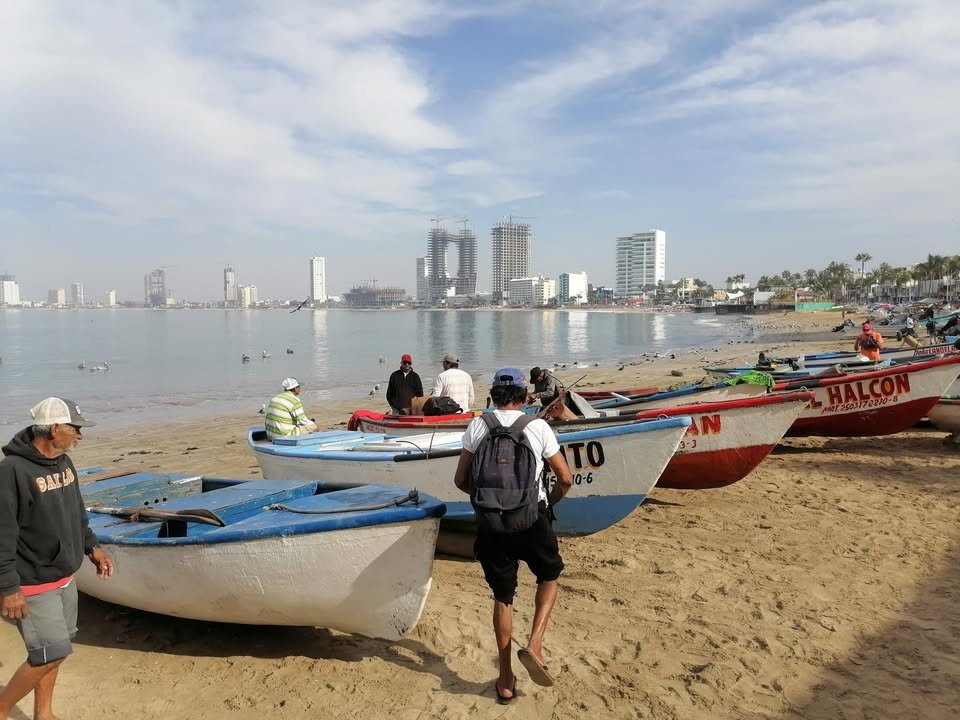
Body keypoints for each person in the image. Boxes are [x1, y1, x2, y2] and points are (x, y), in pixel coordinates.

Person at [453, 369, 573, 704]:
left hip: (492, 523)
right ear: (523, 396)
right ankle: (535, 643)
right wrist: (547, 502)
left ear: (494, 395)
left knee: (503, 596)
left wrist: (487, 501)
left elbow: (461, 479)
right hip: (531, 518)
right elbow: (565, 478)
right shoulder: (537, 426)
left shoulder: (479, 426)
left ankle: (505, 678)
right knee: (549, 575)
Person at [0, 398, 114, 720]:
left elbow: (76, 512)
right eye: (75, 428)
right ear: (54, 429)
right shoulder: (11, 472)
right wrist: (8, 588)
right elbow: (2, 533)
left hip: (64, 575)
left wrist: (92, 547)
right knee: (49, 654)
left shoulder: (64, 463)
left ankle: (44, 713)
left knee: (56, 651)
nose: (80, 434)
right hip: (32, 581)